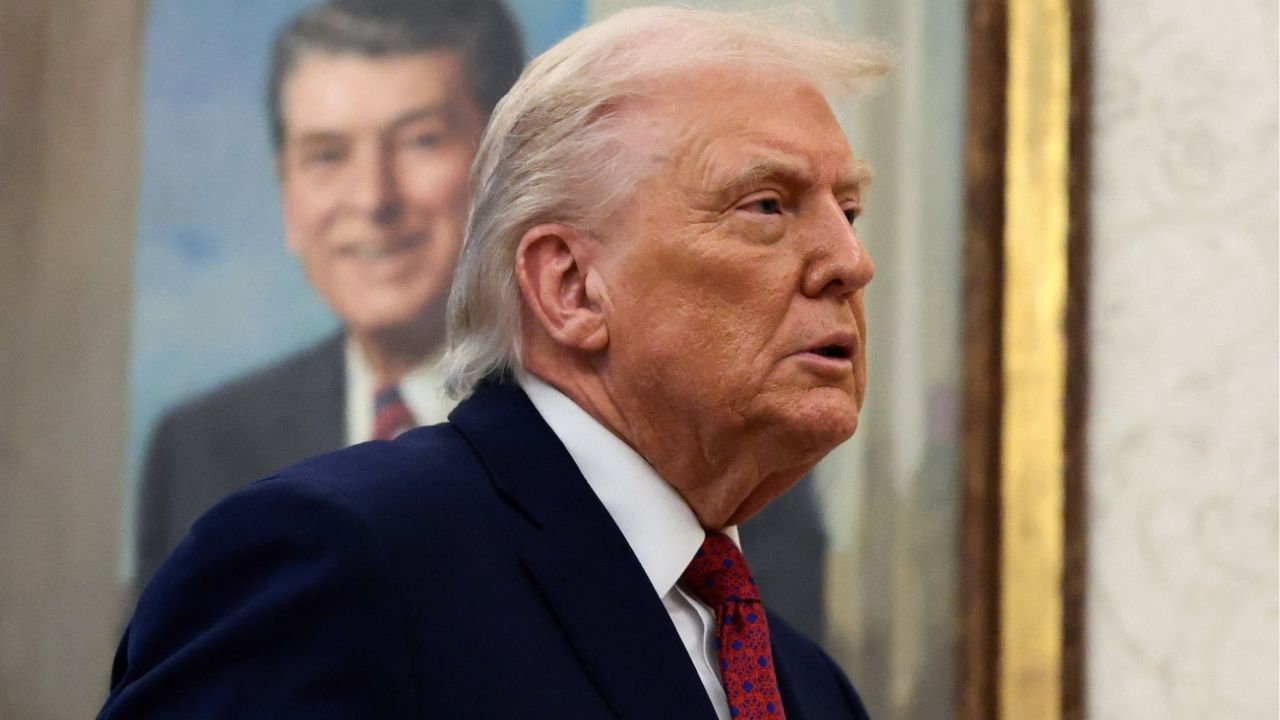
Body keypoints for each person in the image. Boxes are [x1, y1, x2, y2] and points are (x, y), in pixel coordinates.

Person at [103, 6, 886, 718]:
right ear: (572, 287)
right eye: (766, 206)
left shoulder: (809, 688)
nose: (850, 261)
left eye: (847, 210)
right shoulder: (338, 558)